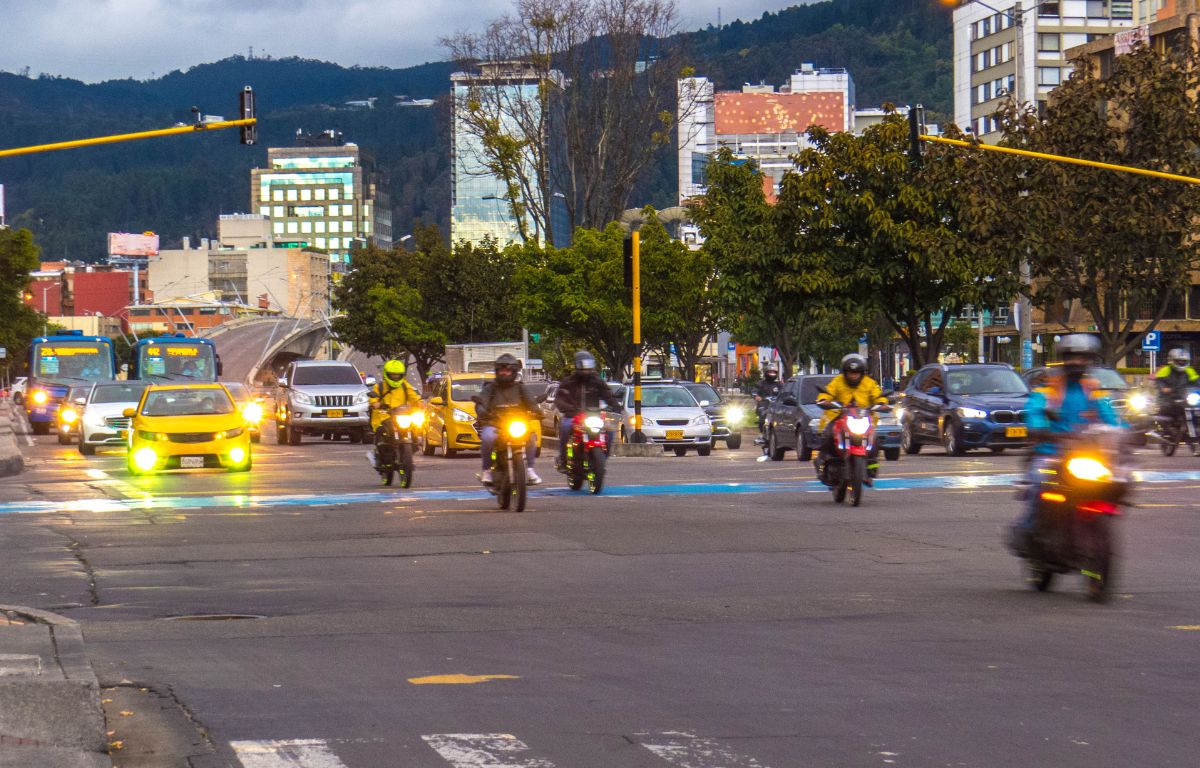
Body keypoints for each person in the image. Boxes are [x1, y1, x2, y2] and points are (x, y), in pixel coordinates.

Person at [1008, 334, 1120, 554]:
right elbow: (1035, 410)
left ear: (1089, 360)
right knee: (1039, 484)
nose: (1077, 362)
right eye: (1072, 357)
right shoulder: (1050, 387)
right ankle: (1027, 532)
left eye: (1082, 357)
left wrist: (1125, 431)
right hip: (1050, 453)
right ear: (1064, 358)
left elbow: (1111, 417)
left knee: (1114, 481)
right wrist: (1040, 427)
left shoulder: (1093, 389)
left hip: (1086, 455)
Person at [814, 353, 888, 485]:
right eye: (850, 373)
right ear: (845, 372)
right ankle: (822, 465)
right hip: (840, 416)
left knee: (875, 441)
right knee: (828, 436)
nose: (853, 375)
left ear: (862, 373)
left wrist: (882, 403)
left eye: (856, 373)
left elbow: (878, 396)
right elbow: (827, 392)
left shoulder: (869, 383)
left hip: (863, 418)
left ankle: (871, 469)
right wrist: (823, 400)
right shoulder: (838, 381)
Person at [477, 353, 541, 485]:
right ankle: (487, 470)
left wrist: (537, 411)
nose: (504, 373)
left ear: (513, 371)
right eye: (502, 370)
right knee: (487, 437)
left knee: (531, 437)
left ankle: (529, 469)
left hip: (517, 424)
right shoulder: (490, 388)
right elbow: (481, 403)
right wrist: (482, 411)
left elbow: (532, 402)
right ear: (497, 371)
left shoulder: (521, 388)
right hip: (495, 424)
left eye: (507, 370)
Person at [553, 351, 624, 470]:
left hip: (593, 415)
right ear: (577, 366)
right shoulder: (568, 382)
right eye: (583, 366)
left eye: (588, 365)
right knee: (565, 427)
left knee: (609, 431)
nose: (585, 369)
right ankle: (563, 459)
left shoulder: (597, 381)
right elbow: (559, 399)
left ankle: (602, 458)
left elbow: (608, 395)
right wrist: (568, 408)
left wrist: (615, 406)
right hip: (573, 415)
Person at [367, 359, 420, 470]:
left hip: (402, 415)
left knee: (415, 429)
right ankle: (381, 454)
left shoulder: (405, 385)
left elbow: (414, 397)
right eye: (393, 375)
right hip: (384, 416)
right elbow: (373, 398)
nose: (395, 377)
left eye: (398, 375)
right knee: (385, 432)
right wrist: (375, 403)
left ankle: (409, 451)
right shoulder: (380, 386)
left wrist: (420, 403)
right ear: (387, 374)